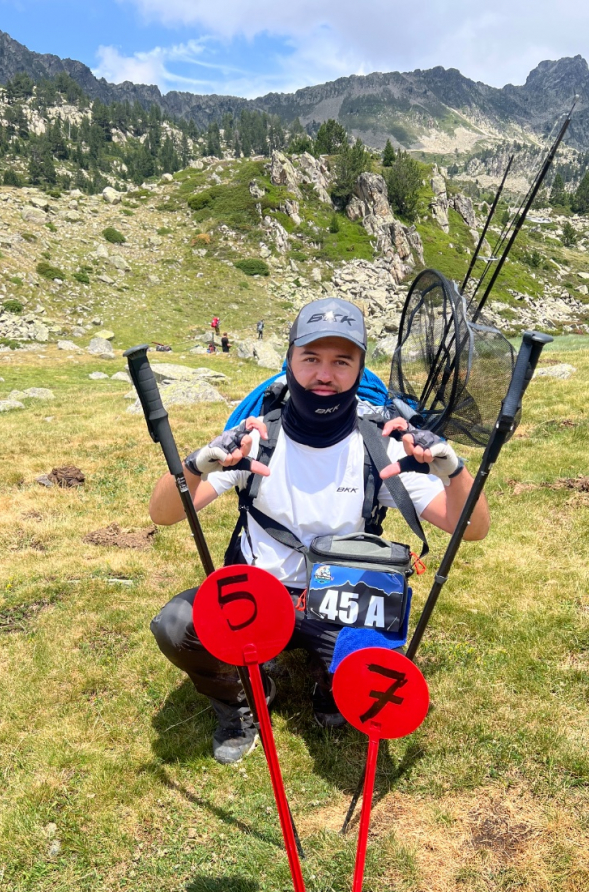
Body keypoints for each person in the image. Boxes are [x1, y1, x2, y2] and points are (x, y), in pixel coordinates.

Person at [149, 298, 489, 765]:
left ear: (359, 369)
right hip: (257, 597)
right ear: (289, 361)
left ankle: (329, 681)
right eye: (310, 358)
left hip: (341, 601)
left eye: (341, 362)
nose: (324, 375)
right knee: (177, 625)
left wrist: (453, 469)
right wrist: (196, 463)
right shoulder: (255, 439)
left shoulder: (380, 445)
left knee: (359, 687)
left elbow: (471, 528)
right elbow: (164, 513)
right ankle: (242, 699)